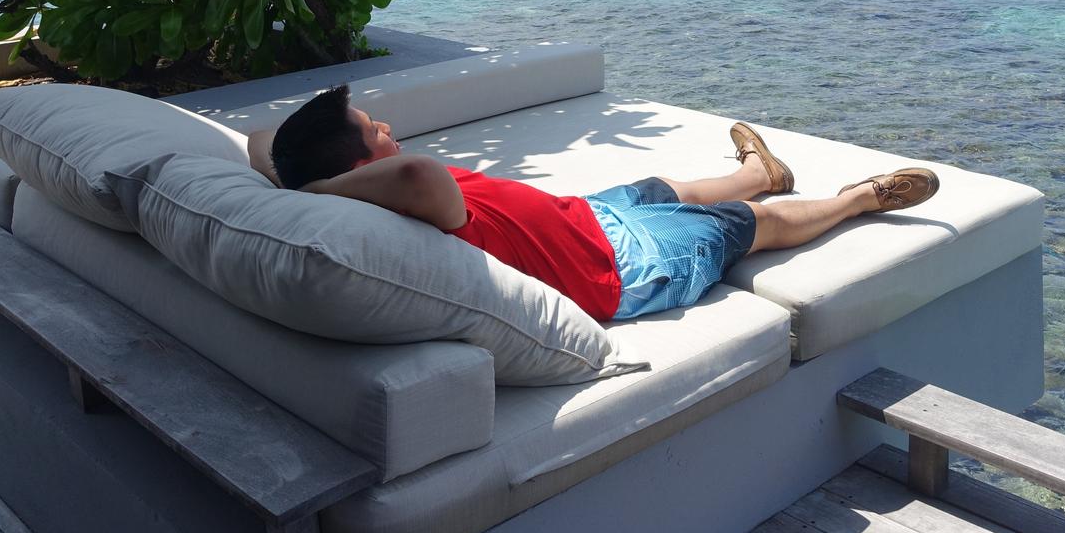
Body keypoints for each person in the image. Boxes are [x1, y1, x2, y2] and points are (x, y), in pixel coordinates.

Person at [264, 85, 941, 322]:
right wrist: (320, 185)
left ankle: (763, 170)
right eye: (372, 129)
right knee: (741, 226)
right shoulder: (397, 194)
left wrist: (301, 175)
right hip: (616, 270)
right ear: (356, 166)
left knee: (660, 188)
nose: (388, 129)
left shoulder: (349, 186)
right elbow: (421, 177)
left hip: (577, 220)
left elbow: (260, 142)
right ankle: (858, 200)